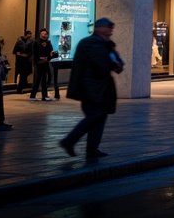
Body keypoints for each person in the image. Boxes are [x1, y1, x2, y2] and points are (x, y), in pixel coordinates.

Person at [60, 18, 123, 157]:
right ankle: (69, 141)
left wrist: (116, 63)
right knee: (94, 115)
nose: (110, 31)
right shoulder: (92, 43)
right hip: (92, 88)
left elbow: (114, 61)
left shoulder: (104, 43)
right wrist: (114, 64)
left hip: (101, 88)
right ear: (99, 28)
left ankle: (92, 148)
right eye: (108, 28)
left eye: (111, 28)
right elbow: (102, 63)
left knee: (99, 116)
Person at [31, 28, 59, 100]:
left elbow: (50, 52)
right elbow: (35, 53)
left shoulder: (48, 43)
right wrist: (39, 60)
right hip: (39, 63)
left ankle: (42, 95)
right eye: (43, 34)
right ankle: (36, 95)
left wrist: (51, 56)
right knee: (39, 78)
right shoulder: (36, 42)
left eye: (45, 34)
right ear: (40, 34)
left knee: (46, 78)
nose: (44, 35)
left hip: (46, 63)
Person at [13, 30, 33, 94]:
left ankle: (22, 86)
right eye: (29, 34)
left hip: (27, 61)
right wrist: (21, 54)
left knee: (25, 74)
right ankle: (20, 88)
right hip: (21, 61)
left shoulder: (30, 42)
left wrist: (28, 55)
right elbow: (15, 51)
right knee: (21, 74)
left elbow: (31, 51)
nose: (30, 36)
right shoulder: (19, 42)